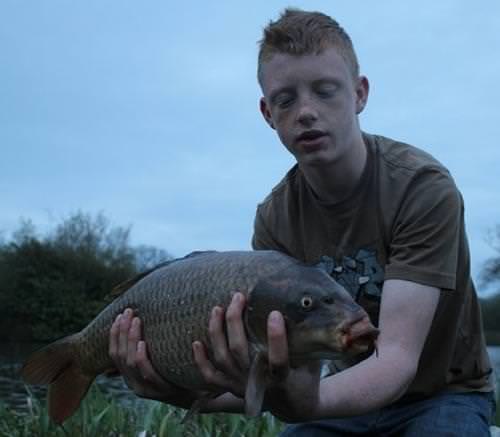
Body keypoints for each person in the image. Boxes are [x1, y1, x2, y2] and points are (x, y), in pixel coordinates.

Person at [108, 8, 497, 435]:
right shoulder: (275, 218)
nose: (306, 111)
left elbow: (397, 360)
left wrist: (304, 403)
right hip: (343, 398)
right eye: (286, 99)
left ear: (360, 93)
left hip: (442, 396)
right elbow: (274, 375)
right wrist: (180, 387)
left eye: (326, 91)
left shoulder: (421, 188)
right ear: (267, 113)